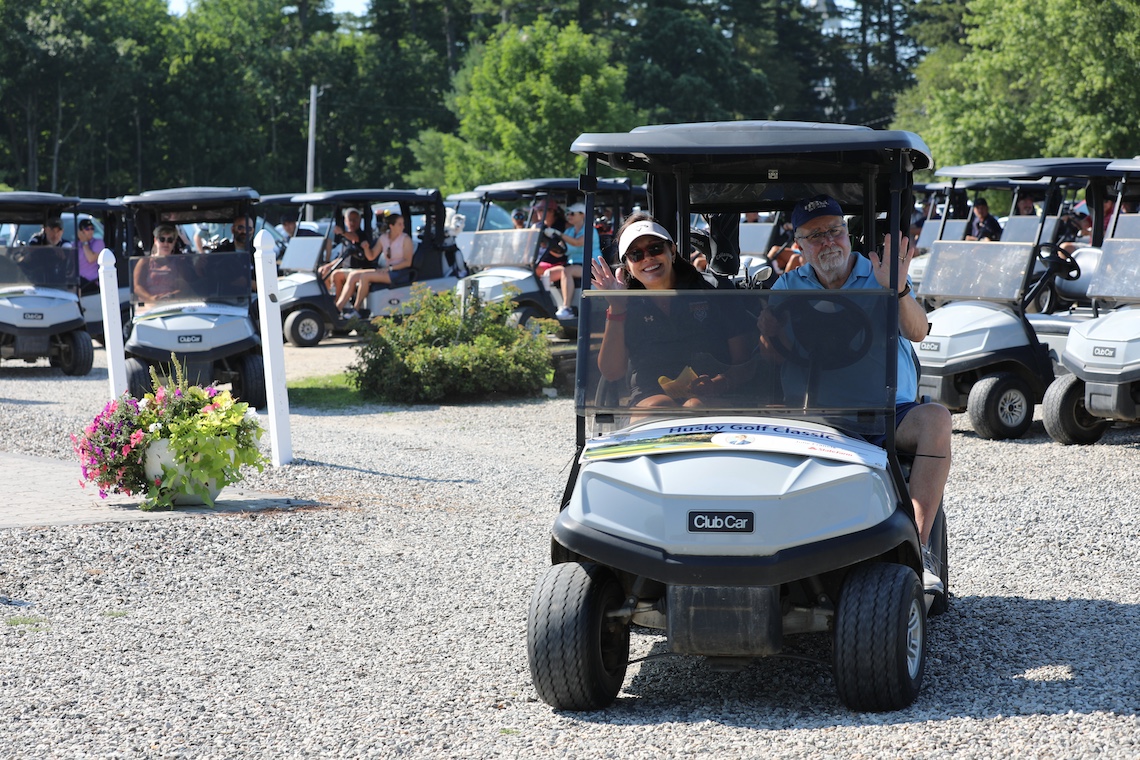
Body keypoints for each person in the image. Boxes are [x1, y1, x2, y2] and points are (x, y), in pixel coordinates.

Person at [763, 194, 951, 595]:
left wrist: (897, 292)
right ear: (799, 244)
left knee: (936, 420)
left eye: (835, 231)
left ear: (847, 234)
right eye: (815, 236)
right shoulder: (787, 285)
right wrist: (767, 331)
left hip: (882, 411)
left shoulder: (880, 272)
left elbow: (918, 332)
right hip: (812, 416)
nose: (828, 241)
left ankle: (917, 551)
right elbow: (770, 353)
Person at [591, 213, 751, 411]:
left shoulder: (714, 290)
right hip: (650, 400)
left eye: (655, 248)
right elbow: (612, 372)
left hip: (714, 395)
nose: (648, 258)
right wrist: (616, 307)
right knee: (660, 407)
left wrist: (720, 383)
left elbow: (745, 363)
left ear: (672, 251)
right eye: (636, 254)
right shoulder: (625, 302)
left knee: (696, 405)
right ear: (628, 267)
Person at [335, 211, 413, 319]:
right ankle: (337, 308)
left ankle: (356, 310)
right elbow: (371, 256)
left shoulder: (406, 239)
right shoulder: (383, 238)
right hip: (386, 270)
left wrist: (390, 268)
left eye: (403, 224)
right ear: (391, 226)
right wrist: (366, 248)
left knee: (365, 276)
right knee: (353, 275)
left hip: (399, 272)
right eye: (400, 224)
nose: (403, 227)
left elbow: (408, 262)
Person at [545, 202, 597, 319]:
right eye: (568, 213)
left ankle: (567, 308)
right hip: (574, 265)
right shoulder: (569, 232)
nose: (569, 216)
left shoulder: (590, 230)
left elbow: (577, 242)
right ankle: (548, 305)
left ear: (582, 215)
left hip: (591, 266)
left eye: (573, 213)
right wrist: (547, 243)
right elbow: (560, 253)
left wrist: (558, 233)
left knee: (567, 271)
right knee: (548, 274)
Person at [318, 207, 374, 299]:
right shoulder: (346, 239)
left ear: (360, 220)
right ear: (346, 221)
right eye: (350, 220)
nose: (352, 223)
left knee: (337, 274)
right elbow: (341, 257)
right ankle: (326, 298)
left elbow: (355, 238)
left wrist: (342, 232)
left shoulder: (362, 235)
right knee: (323, 271)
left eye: (355, 220)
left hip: (359, 270)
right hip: (347, 269)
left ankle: (338, 303)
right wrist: (328, 266)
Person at [132, 224, 185, 303]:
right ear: (155, 240)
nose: (166, 243)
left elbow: (184, 287)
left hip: (173, 304)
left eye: (170, 240)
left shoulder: (179, 262)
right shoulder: (144, 261)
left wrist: (169, 297)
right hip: (149, 305)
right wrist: (151, 299)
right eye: (162, 239)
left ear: (174, 242)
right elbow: (137, 287)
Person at [75, 218, 104, 293]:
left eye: (92, 228)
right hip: (77, 279)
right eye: (87, 229)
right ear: (80, 232)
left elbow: (91, 258)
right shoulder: (75, 244)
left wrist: (84, 242)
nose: (90, 231)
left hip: (91, 282)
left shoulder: (98, 242)